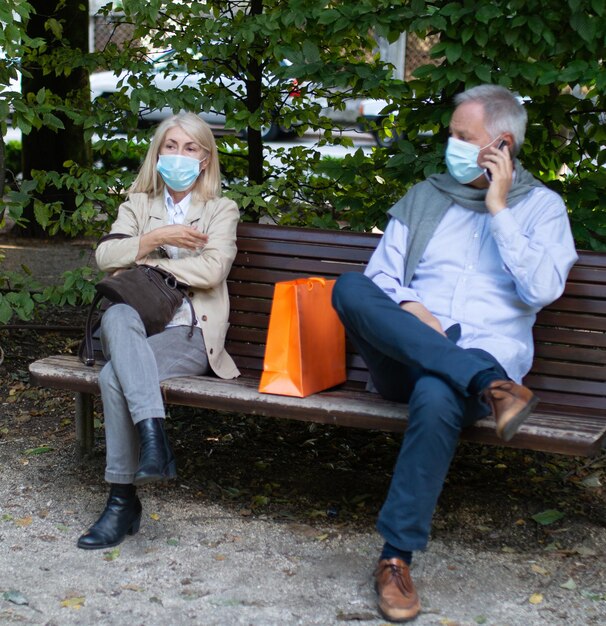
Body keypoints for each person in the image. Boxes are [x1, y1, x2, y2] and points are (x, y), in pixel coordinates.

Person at [331, 85, 577, 622]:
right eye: (452, 135)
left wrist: (498, 209)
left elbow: (540, 289)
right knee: (348, 287)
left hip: (460, 366)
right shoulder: (426, 198)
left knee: (437, 389)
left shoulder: (542, 209)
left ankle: (394, 558)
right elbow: (379, 279)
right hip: (405, 354)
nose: (453, 145)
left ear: (503, 146)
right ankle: (491, 385)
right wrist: (414, 305)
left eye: (465, 137)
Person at [77, 112, 240, 550]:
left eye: (190, 148)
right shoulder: (138, 205)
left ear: (205, 159)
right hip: (135, 320)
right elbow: (106, 256)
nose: (179, 155)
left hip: (190, 331)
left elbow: (212, 269)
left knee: (114, 376)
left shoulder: (220, 209)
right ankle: (154, 439)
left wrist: (146, 261)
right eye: (171, 146)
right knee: (116, 314)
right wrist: (158, 237)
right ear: (159, 152)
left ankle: (121, 499)